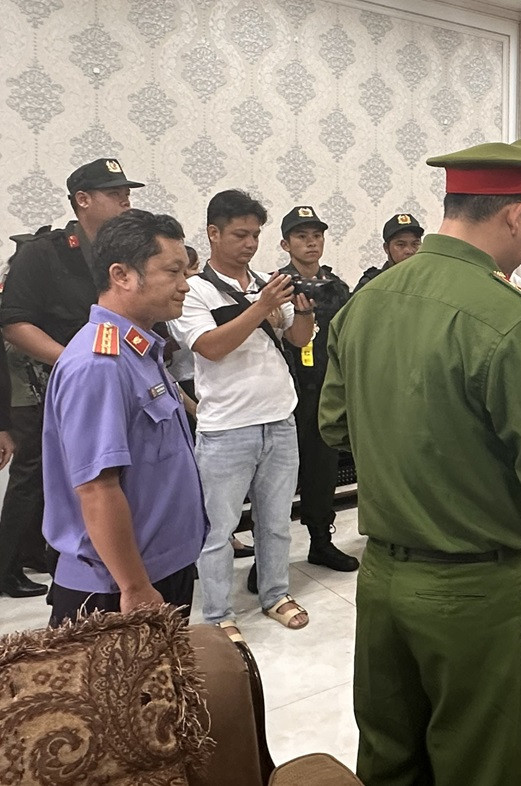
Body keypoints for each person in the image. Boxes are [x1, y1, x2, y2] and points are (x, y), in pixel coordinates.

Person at [319, 137, 521, 786]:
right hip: (473, 592)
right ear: (516, 216)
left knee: (390, 760)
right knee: (479, 767)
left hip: (382, 576)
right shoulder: (506, 317)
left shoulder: (365, 303)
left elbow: (336, 425)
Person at [41, 209, 207, 626]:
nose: (185, 285)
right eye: (172, 271)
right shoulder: (99, 364)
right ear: (122, 275)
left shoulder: (139, 350)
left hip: (159, 570)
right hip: (116, 588)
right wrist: (134, 587)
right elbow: (98, 488)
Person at [171, 189, 314, 640]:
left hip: (279, 417)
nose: (250, 243)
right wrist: (260, 306)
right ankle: (217, 615)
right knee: (218, 529)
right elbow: (210, 347)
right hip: (226, 427)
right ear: (213, 233)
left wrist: (304, 310)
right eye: (239, 234)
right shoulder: (192, 290)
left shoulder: (266, 282)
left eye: (255, 234)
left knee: (275, 520)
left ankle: (275, 594)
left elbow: (296, 338)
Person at [0, 157, 142, 598]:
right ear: (83, 200)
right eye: (115, 193)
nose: (125, 200)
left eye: (127, 193)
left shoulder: (120, 256)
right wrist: (72, 362)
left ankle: (98, 558)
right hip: (54, 383)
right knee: (41, 477)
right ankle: (10, 568)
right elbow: (14, 320)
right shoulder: (43, 253)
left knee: (109, 475)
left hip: (116, 382)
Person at [277, 205, 358, 572]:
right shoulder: (276, 286)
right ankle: (271, 557)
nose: (311, 243)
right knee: (277, 477)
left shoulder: (335, 286)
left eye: (316, 236)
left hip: (324, 391)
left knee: (322, 470)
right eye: (301, 237)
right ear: (285, 243)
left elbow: (349, 334)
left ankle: (320, 542)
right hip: (285, 393)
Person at [355, 213, 424, 292]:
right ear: (386, 248)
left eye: (415, 244)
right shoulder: (371, 284)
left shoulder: (428, 281)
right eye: (401, 245)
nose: (409, 251)